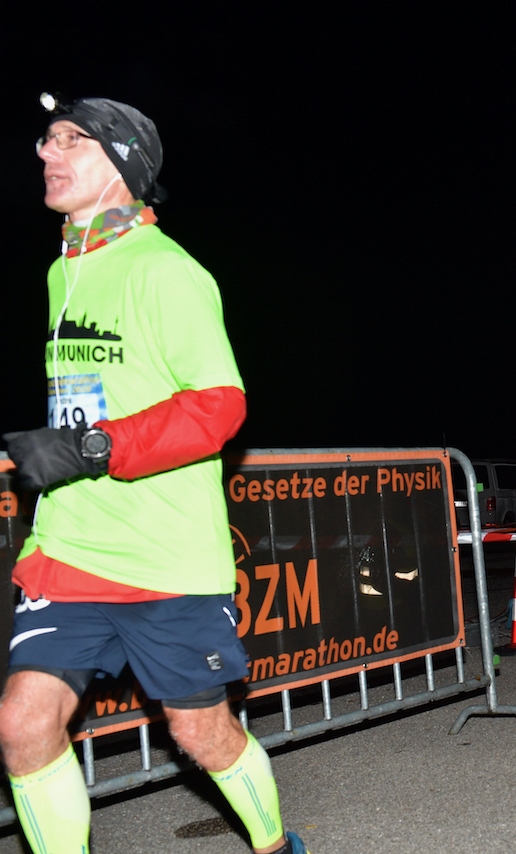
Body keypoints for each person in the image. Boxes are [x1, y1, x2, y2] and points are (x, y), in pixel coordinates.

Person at [0, 95, 309, 854]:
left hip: (166, 556)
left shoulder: (169, 272)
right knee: (22, 723)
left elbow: (218, 406)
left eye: (71, 139)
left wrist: (92, 449)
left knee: (200, 733)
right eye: (46, 138)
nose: (47, 151)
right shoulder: (60, 273)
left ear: (121, 163)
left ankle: (276, 848)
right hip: (72, 548)